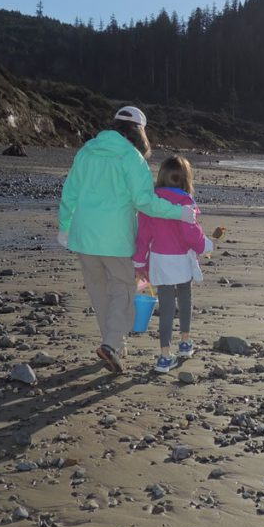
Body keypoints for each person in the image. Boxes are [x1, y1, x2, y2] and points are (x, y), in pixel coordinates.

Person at [58, 106, 196, 374]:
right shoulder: (132, 158)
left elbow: (70, 192)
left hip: (83, 237)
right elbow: (145, 203)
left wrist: (64, 227)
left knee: (100, 293)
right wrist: (179, 212)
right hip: (116, 239)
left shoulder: (87, 150)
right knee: (123, 290)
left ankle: (114, 346)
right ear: (139, 132)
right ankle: (111, 344)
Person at [133, 155, 213, 373]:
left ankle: (164, 356)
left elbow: (143, 235)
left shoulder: (151, 202)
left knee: (166, 308)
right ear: (186, 179)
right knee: (185, 299)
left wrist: (140, 261)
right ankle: (185, 343)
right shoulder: (186, 202)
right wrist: (205, 245)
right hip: (181, 261)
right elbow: (191, 234)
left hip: (159, 259)